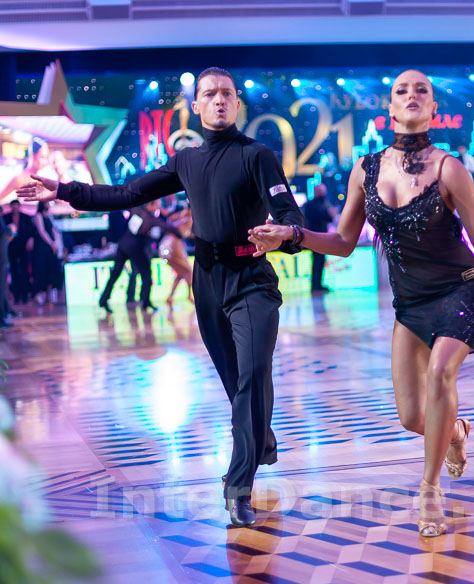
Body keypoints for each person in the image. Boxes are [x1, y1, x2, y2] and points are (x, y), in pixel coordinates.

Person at [248, 69, 474, 538]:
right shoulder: (366, 169)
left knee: (441, 373)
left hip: (461, 290)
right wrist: (291, 235)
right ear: (390, 109)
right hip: (411, 304)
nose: (411, 95)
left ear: (433, 108)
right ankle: (456, 433)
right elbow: (344, 242)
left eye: (421, 90)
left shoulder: (450, 169)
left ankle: (429, 490)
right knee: (411, 417)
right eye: (401, 90)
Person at [17, 66, 305, 528]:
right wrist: (63, 190)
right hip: (207, 280)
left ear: (237, 103)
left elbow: (291, 216)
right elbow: (126, 193)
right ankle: (261, 439)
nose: (219, 100)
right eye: (209, 94)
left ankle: (237, 488)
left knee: (252, 376)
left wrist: (285, 233)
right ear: (196, 105)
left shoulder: (258, 156)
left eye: (226, 93)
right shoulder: (186, 161)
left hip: (252, 279)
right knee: (238, 386)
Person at [99, 199, 181, 313]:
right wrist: (181, 234)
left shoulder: (136, 210)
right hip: (133, 247)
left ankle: (103, 299)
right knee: (146, 273)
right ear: (151, 205)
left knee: (116, 273)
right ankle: (146, 302)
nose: (158, 208)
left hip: (123, 244)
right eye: (157, 205)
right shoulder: (150, 218)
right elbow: (167, 227)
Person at [303, 183, 337, 293]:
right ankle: (315, 285)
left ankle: (319, 284)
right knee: (317, 260)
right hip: (314, 236)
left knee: (321, 260)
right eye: (321, 191)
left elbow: (329, 218)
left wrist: (330, 214)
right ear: (316, 192)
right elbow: (315, 217)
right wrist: (328, 213)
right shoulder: (311, 204)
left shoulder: (325, 203)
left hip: (324, 236)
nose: (323, 193)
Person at [158, 205, 194, 306]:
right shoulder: (189, 220)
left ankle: (171, 297)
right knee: (188, 271)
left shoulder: (178, 217)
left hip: (166, 244)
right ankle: (190, 295)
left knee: (181, 273)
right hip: (173, 246)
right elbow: (186, 234)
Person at [31, 201, 63, 305]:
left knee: (51, 270)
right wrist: (51, 243)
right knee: (41, 270)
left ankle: (48, 295)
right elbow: (42, 231)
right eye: (47, 203)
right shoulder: (38, 216)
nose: (49, 205)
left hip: (50, 247)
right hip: (41, 247)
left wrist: (56, 243)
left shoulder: (48, 216)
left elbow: (53, 230)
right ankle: (37, 294)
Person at [3, 199, 34, 304]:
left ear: (19, 206)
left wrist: (30, 241)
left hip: (23, 247)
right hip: (11, 247)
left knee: (25, 270)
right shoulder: (6, 217)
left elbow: (31, 232)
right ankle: (16, 295)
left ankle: (25, 295)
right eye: (13, 205)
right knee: (14, 271)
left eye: (16, 205)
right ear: (11, 206)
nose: (15, 207)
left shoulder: (26, 217)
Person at [0, 139, 50, 204]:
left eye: (46, 157)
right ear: (33, 156)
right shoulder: (19, 179)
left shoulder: (42, 178)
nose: (45, 162)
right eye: (42, 157)